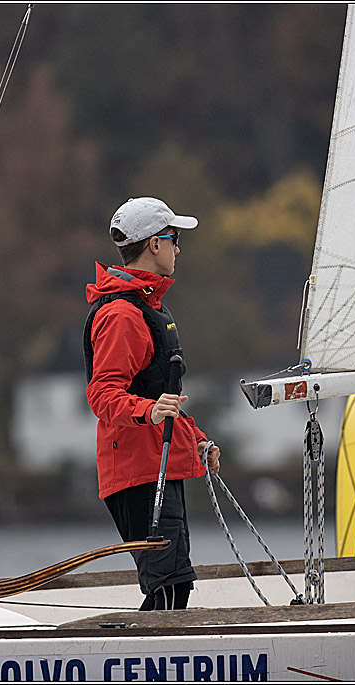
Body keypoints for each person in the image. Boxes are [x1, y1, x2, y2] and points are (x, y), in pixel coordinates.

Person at [83, 196, 220, 611]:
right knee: (169, 587)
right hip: (138, 472)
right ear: (155, 245)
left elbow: (161, 393)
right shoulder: (123, 315)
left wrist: (197, 439)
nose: (179, 248)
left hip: (155, 465)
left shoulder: (146, 307)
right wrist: (147, 411)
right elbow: (103, 395)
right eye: (174, 239)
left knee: (173, 585)